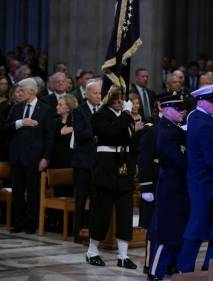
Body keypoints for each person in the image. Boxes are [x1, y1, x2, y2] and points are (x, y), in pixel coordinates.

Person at [85, 85, 143, 268]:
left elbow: (132, 143)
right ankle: (92, 251)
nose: (120, 102)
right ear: (108, 100)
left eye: (122, 99)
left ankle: (123, 256)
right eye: (116, 99)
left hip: (124, 166)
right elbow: (110, 133)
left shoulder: (127, 117)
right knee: (101, 211)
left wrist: (133, 165)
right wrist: (127, 115)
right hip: (106, 166)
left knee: (125, 212)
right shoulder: (99, 115)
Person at [177, 84, 213, 272]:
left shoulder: (204, 117)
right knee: (197, 226)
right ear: (200, 101)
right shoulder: (201, 122)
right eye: (211, 101)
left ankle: (211, 265)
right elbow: (212, 159)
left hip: (212, 180)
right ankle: (184, 266)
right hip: (203, 182)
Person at [148, 92, 189, 281]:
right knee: (166, 233)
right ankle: (156, 271)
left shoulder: (176, 129)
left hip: (178, 187)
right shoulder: (165, 131)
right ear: (164, 109)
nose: (183, 111)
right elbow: (179, 160)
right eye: (178, 108)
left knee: (175, 231)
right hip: (170, 188)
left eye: (183, 107)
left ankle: (167, 268)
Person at [6, 78, 54, 234]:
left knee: (33, 192)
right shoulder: (16, 108)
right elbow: (6, 128)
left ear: (32, 91)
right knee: (18, 192)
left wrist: (45, 157)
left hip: (35, 157)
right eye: (18, 90)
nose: (18, 93)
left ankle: (31, 224)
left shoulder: (46, 109)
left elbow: (49, 136)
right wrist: (20, 122)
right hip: (17, 156)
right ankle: (18, 223)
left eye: (21, 90)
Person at [72, 80, 101, 242]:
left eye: (100, 93)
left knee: (96, 199)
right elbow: (81, 135)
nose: (98, 96)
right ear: (87, 94)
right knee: (81, 199)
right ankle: (78, 231)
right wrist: (98, 127)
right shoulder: (78, 111)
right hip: (83, 163)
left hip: (99, 163)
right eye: (95, 93)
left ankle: (93, 231)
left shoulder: (104, 110)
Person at [137, 100, 160, 274]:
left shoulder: (177, 127)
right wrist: (145, 187)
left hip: (168, 185)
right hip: (153, 183)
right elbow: (144, 159)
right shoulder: (150, 129)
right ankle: (149, 262)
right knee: (152, 226)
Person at [50, 94, 78, 168]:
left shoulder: (76, 122)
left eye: (60, 105)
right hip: (55, 159)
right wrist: (60, 133)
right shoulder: (53, 122)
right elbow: (48, 140)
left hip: (71, 160)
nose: (57, 107)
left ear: (68, 108)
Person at [0, 76, 11, 160]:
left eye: (6, 84)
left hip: (6, 133)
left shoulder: (11, 99)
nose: (4, 86)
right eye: (1, 84)